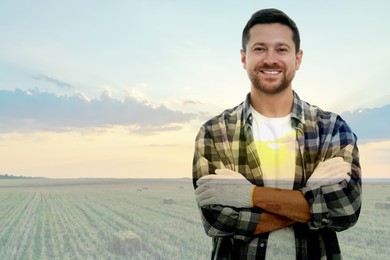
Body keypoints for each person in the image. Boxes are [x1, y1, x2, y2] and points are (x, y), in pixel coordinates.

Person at [192, 8, 362, 259]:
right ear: (243, 58)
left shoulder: (332, 128)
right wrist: (311, 197)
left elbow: (346, 210)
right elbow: (217, 221)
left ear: (298, 58)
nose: (270, 59)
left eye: (281, 49)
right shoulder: (215, 133)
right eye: (260, 49)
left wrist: (249, 195)